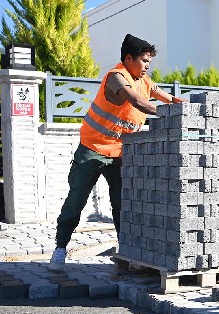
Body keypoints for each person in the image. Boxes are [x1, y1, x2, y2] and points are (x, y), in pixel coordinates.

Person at [49, 34, 186, 269]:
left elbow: (158, 92)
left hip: (120, 153)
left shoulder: (142, 78)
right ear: (129, 58)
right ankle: (60, 249)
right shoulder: (116, 77)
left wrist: (179, 103)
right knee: (76, 201)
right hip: (93, 148)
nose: (147, 66)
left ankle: (126, 253)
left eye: (149, 62)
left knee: (124, 203)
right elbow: (137, 101)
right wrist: (169, 114)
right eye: (144, 61)